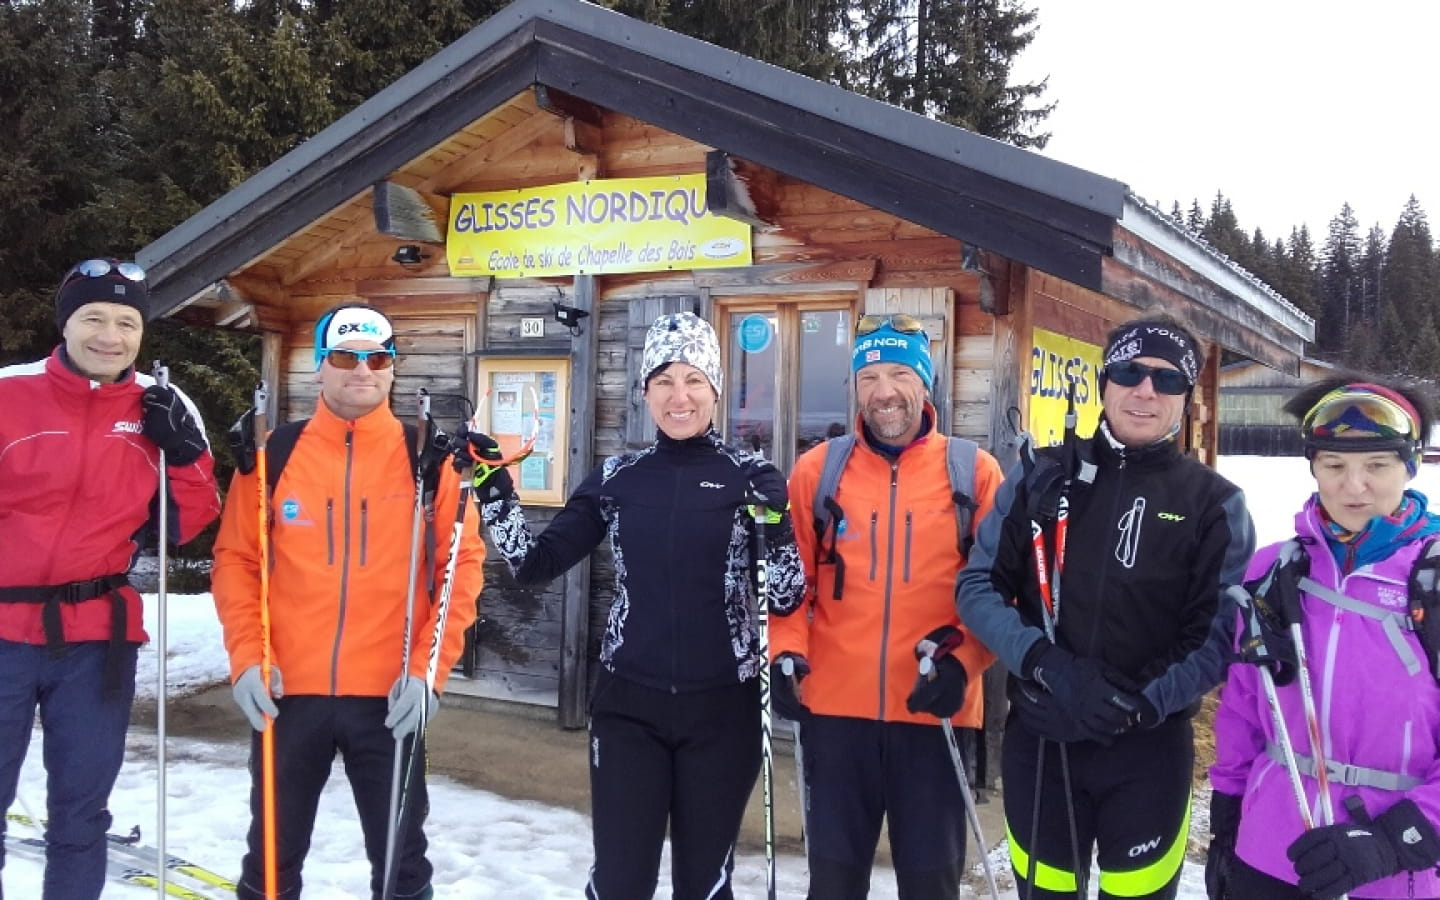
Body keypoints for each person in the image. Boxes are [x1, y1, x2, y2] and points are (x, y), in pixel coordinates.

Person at [455, 311, 805, 900]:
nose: (679, 396)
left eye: (694, 379)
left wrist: (781, 527)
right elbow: (533, 563)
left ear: (715, 390)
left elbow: (785, 596)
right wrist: (495, 492)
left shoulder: (749, 477)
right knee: (621, 882)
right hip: (628, 711)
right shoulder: (617, 477)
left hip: (724, 711)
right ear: (645, 392)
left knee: (704, 884)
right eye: (664, 380)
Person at [956, 312, 1256, 899]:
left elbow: (1219, 633)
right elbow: (978, 588)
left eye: (1167, 380)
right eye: (1129, 372)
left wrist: (1137, 704)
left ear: (1186, 398)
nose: (1146, 390)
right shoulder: (1041, 476)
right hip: (1044, 740)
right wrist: (1046, 664)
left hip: (1147, 752)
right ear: (1104, 382)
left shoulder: (1214, 503)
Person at [211, 301, 484, 900]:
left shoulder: (427, 459)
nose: (362, 371)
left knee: (401, 870)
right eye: (344, 357)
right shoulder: (272, 455)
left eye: (377, 358)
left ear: (392, 368)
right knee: (271, 869)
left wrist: (428, 674)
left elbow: (459, 565)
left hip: (388, 696)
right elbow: (237, 560)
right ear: (319, 366)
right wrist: (246, 660)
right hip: (288, 692)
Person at [0, 258, 220, 899]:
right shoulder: (9, 392)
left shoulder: (163, 405)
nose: (110, 335)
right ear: (65, 323)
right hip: (2, 629)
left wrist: (180, 456)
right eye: (93, 317)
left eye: (127, 322)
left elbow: (185, 523)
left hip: (96, 637)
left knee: (81, 809)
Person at [769, 313, 1003, 899]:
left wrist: (963, 664)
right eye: (869, 376)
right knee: (834, 882)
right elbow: (789, 583)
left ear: (926, 385)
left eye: (900, 373)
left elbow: (1001, 593)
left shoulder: (973, 473)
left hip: (934, 710)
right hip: (835, 714)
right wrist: (785, 653)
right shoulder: (818, 471)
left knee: (930, 884)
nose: (884, 392)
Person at [1208, 377, 1440, 900]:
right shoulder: (1275, 567)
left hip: (1396, 866)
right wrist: (1228, 804)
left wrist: (1393, 842)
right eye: (1334, 465)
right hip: (1270, 851)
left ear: (1410, 464)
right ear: (1313, 467)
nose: (1353, 486)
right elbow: (1246, 700)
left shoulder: (1433, 578)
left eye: (1377, 466)